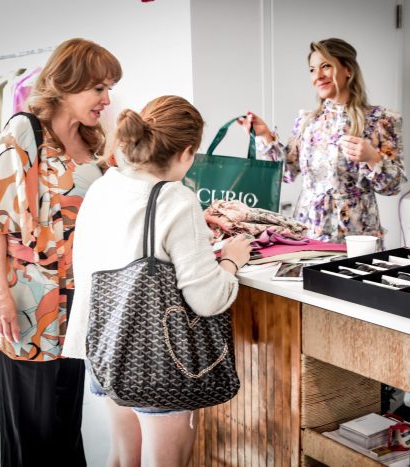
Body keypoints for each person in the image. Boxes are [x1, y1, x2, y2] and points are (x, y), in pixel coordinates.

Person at [62, 95, 252, 467]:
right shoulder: (177, 200)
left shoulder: (105, 185)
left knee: (122, 457)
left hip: (102, 349)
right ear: (185, 152)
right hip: (153, 359)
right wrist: (231, 259)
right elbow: (208, 299)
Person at [0, 38, 122, 467]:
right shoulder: (23, 133)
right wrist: (0, 295)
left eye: (109, 88)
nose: (107, 99)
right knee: (33, 430)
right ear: (67, 85)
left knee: (65, 423)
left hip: (77, 307)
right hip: (28, 305)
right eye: (99, 89)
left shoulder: (91, 141)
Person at [239, 38, 407, 243]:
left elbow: (394, 186)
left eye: (326, 66)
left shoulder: (382, 119)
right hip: (308, 231)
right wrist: (264, 135)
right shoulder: (307, 121)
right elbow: (286, 173)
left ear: (348, 70)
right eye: (312, 69)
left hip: (356, 237)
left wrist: (372, 157)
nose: (318, 76)